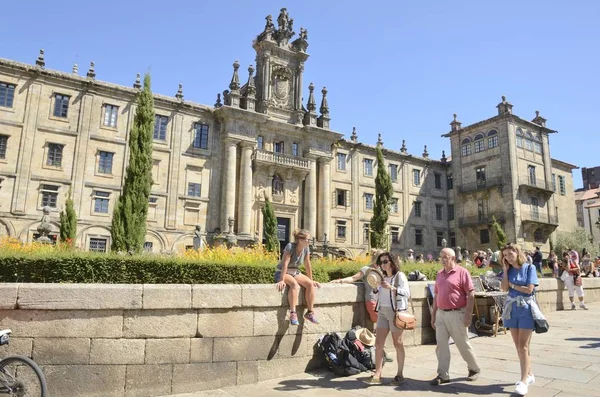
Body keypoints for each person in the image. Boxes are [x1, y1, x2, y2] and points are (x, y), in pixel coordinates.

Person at [330, 249, 393, 362]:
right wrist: (340, 281)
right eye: (382, 260)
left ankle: (379, 352)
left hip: (382, 302)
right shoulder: (366, 269)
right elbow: (354, 278)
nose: (384, 262)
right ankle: (380, 353)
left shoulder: (383, 271)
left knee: (380, 329)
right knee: (380, 328)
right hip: (373, 301)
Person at [430, 248, 480, 386]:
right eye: (441, 257)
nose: (442, 259)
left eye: (444, 257)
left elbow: (471, 294)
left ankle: (474, 369)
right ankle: (443, 374)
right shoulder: (440, 274)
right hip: (441, 314)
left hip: (457, 313)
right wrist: (433, 315)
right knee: (441, 345)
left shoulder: (462, 272)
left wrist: (468, 315)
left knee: (462, 343)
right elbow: (437, 295)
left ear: (452, 258)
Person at [500, 243, 540, 396]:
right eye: (505, 256)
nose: (508, 258)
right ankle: (529, 375)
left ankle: (523, 381)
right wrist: (504, 271)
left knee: (523, 346)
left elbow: (529, 290)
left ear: (517, 253)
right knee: (518, 345)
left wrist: (512, 285)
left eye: (510, 254)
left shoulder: (530, 268)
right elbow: (504, 288)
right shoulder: (508, 270)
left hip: (526, 309)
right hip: (512, 309)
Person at [364, 252, 409, 385]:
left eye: (385, 262)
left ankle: (400, 374)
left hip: (395, 312)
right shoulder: (381, 277)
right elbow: (377, 294)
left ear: (392, 262)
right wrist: (376, 289)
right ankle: (378, 374)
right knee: (378, 344)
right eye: (381, 262)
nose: (382, 264)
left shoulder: (399, 276)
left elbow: (407, 293)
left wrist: (392, 288)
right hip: (382, 311)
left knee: (398, 343)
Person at [274, 229, 320, 325]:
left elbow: (307, 265)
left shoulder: (306, 248)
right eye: (308, 239)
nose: (309, 241)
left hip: (295, 272)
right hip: (282, 272)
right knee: (295, 285)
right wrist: (282, 280)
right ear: (300, 239)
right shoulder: (290, 246)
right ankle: (292, 313)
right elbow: (285, 264)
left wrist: (311, 280)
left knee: (310, 284)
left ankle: (310, 313)